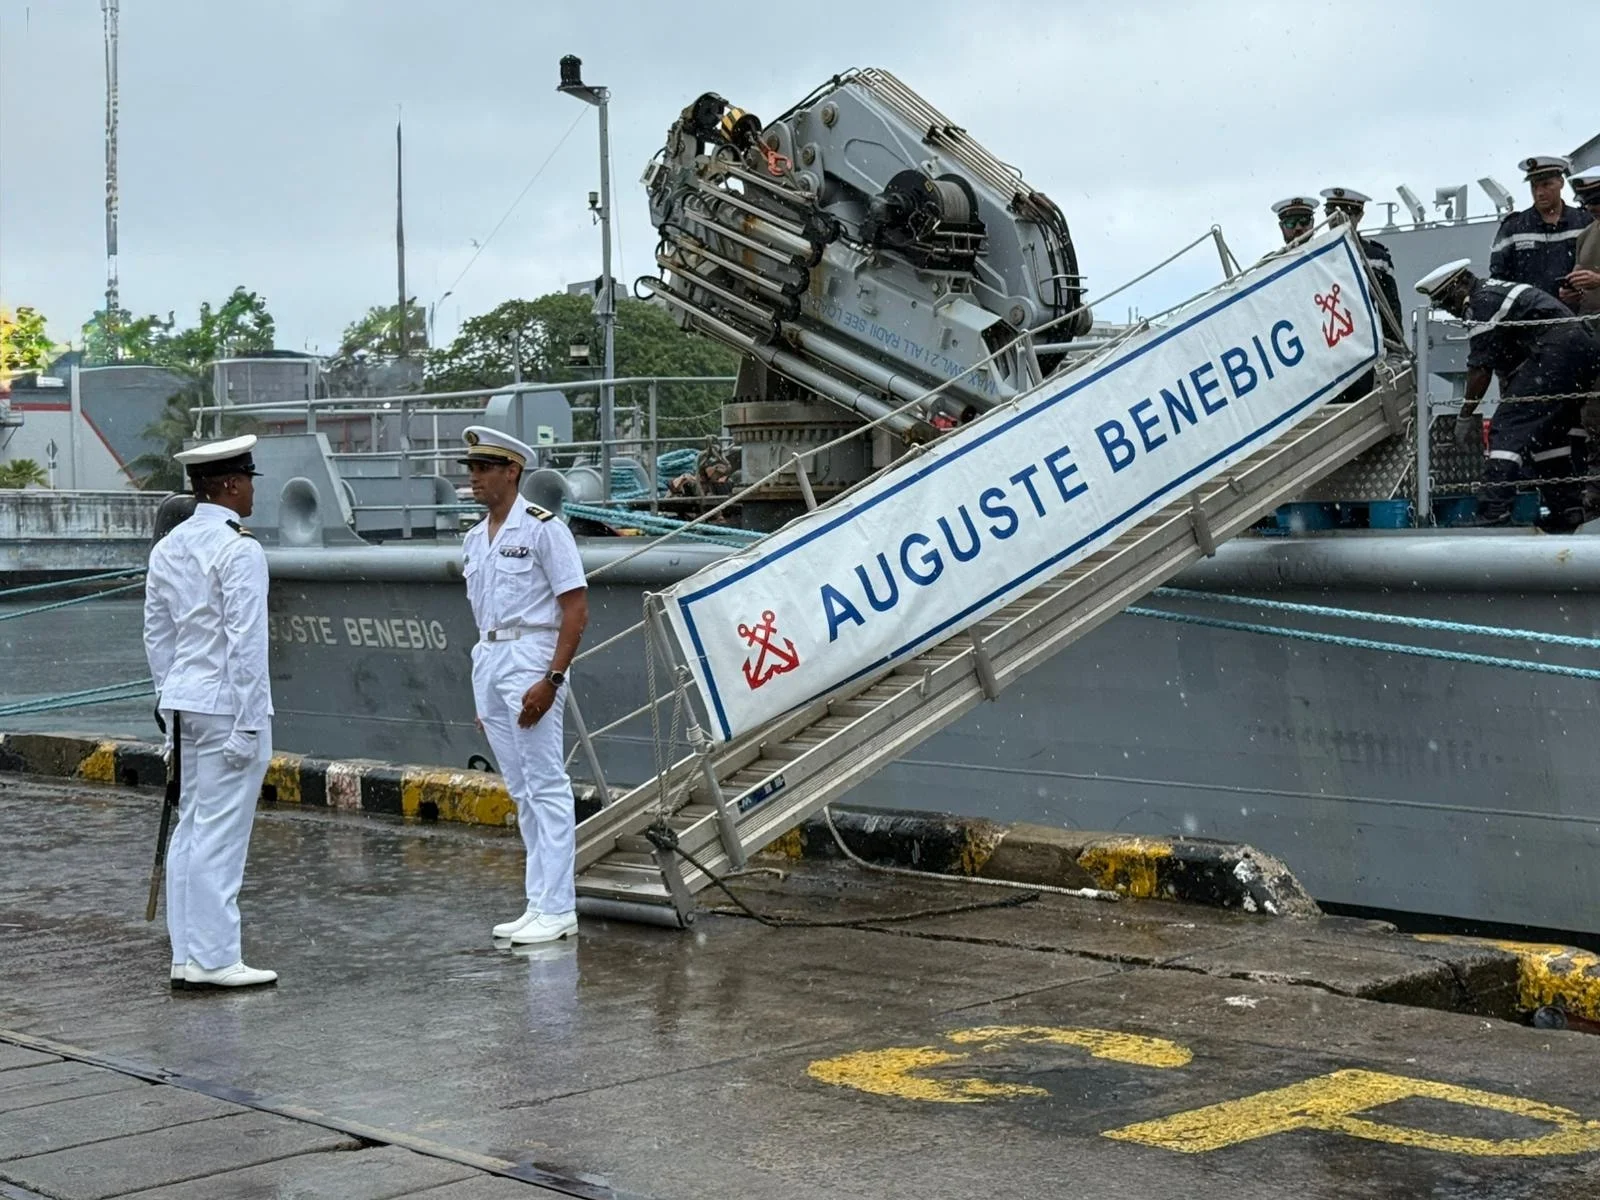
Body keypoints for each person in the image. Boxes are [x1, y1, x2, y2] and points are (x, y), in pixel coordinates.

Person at [142, 434, 277, 990]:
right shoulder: (239, 548)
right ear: (228, 484)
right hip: (227, 707)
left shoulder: (168, 547)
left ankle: (187, 954)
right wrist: (249, 722)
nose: (250, 491)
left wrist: (165, 700)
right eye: (246, 481)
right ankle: (217, 958)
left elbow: (158, 636)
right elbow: (247, 643)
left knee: (191, 829)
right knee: (220, 834)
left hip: (183, 703)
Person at [459, 425, 589, 945]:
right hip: (490, 658)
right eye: (472, 469)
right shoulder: (475, 539)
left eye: (484, 469)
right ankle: (539, 902)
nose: (475, 479)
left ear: (512, 471)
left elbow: (575, 608)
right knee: (521, 790)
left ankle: (559, 907)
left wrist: (552, 678)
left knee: (546, 783)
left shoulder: (542, 530)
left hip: (531, 655)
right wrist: (486, 696)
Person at [1415, 260, 1600, 530]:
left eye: (1447, 301)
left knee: (1507, 427)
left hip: (1557, 348)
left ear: (1461, 285)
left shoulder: (1481, 301)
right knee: (1550, 432)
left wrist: (1465, 415)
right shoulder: (1497, 291)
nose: (1451, 311)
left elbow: (1480, 369)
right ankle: (1567, 508)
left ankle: (1493, 511)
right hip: (1580, 346)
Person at [1489, 156, 1594, 308]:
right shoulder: (1512, 228)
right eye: (1534, 186)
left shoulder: (1586, 223)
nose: (1539, 193)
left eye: (1546, 184)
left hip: (1578, 318)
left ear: (1561, 183)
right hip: (1530, 321)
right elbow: (1498, 280)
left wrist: (1583, 292)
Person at [1320, 187, 1402, 338]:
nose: (1336, 220)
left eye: (1346, 214)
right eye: (1331, 213)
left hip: (1364, 340)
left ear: (1360, 216)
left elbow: (1390, 308)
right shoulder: (1315, 257)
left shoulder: (1377, 259)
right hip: (1326, 341)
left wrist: (1394, 351)